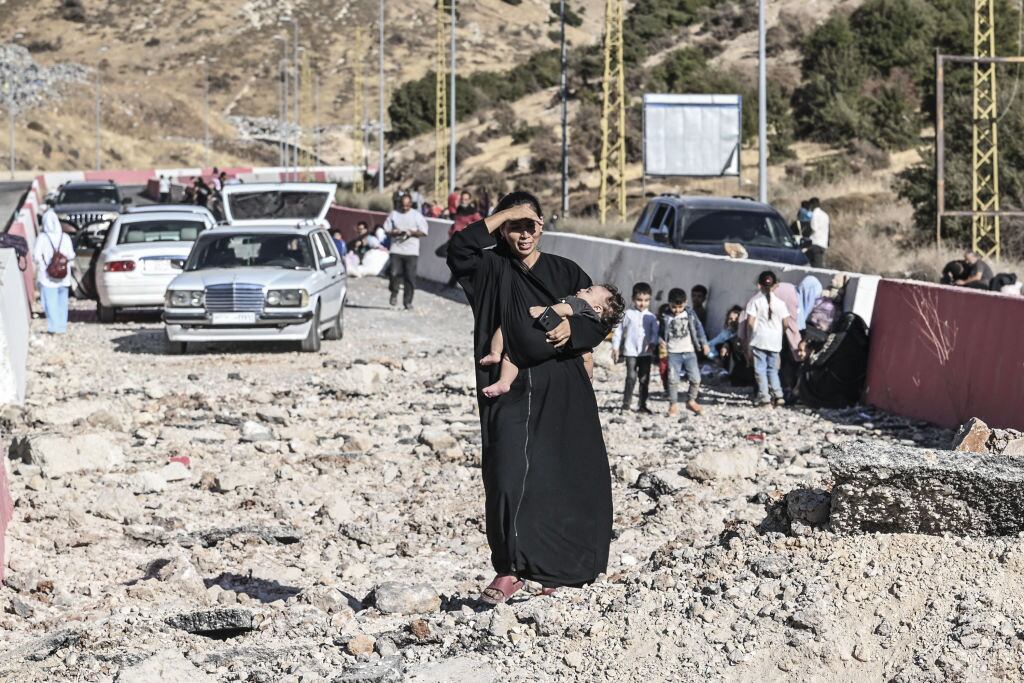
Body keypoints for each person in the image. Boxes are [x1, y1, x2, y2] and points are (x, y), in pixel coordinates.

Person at [447, 191, 613, 603]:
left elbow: (601, 316)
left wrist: (575, 331)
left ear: (542, 225)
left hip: (563, 383)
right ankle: (510, 568)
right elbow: (457, 248)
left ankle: (563, 568)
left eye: (531, 224)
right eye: (514, 225)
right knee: (506, 475)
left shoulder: (565, 270)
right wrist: (504, 212)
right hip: (509, 386)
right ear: (502, 227)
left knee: (562, 473)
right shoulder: (488, 267)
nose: (523, 234)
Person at [480, 284, 624, 398]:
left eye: (588, 291)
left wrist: (543, 309)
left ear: (597, 308)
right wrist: (588, 377)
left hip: (535, 336)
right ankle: (504, 384)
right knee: (512, 359)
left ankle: (495, 354)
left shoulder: (580, 304)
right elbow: (587, 359)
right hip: (549, 350)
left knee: (505, 329)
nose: (582, 289)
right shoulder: (591, 330)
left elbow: (564, 309)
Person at [660, 288, 710, 416]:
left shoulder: (690, 314)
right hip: (673, 352)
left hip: (689, 352)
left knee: (696, 379)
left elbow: (699, 328)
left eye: (680, 307)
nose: (677, 310)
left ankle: (691, 400)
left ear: (686, 303)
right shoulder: (665, 316)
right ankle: (673, 404)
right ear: (669, 303)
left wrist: (704, 343)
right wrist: (660, 342)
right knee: (673, 379)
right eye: (673, 307)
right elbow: (660, 333)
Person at [611, 282, 660, 413]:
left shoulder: (651, 317)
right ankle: (626, 404)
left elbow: (655, 333)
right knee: (631, 377)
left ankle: (642, 405)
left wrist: (653, 343)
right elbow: (619, 331)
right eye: (639, 300)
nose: (642, 303)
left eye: (646, 300)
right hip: (630, 351)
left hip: (645, 353)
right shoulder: (628, 314)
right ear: (633, 299)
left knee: (644, 378)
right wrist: (615, 347)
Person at [745, 270, 791, 407]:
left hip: (760, 339)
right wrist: (780, 333)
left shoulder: (755, 301)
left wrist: (752, 335)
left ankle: (764, 397)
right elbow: (786, 323)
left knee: (760, 369)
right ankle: (779, 395)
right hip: (775, 341)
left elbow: (750, 322)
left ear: (759, 285)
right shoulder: (781, 303)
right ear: (776, 285)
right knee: (772, 369)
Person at [33, 209, 76, 334]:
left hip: (47, 277)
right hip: (64, 276)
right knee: (62, 303)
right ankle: (62, 327)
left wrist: (44, 264)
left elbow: (36, 256)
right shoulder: (66, 237)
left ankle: (53, 327)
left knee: (49, 302)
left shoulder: (42, 238)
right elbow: (71, 255)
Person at [384, 194, 429, 309]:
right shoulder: (394, 214)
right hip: (396, 248)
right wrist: (395, 232)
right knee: (394, 273)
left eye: (407, 205)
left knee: (409, 277)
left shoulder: (416, 216)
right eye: (403, 205)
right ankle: (394, 291)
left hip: (411, 250)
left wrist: (411, 233)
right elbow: (386, 229)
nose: (405, 208)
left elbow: (424, 232)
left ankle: (407, 301)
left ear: (411, 204)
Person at [806, 198, 829, 268]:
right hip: (823, 243)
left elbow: (814, 228)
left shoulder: (815, 214)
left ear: (812, 205)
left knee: (815, 267)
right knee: (819, 263)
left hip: (815, 243)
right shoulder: (825, 215)